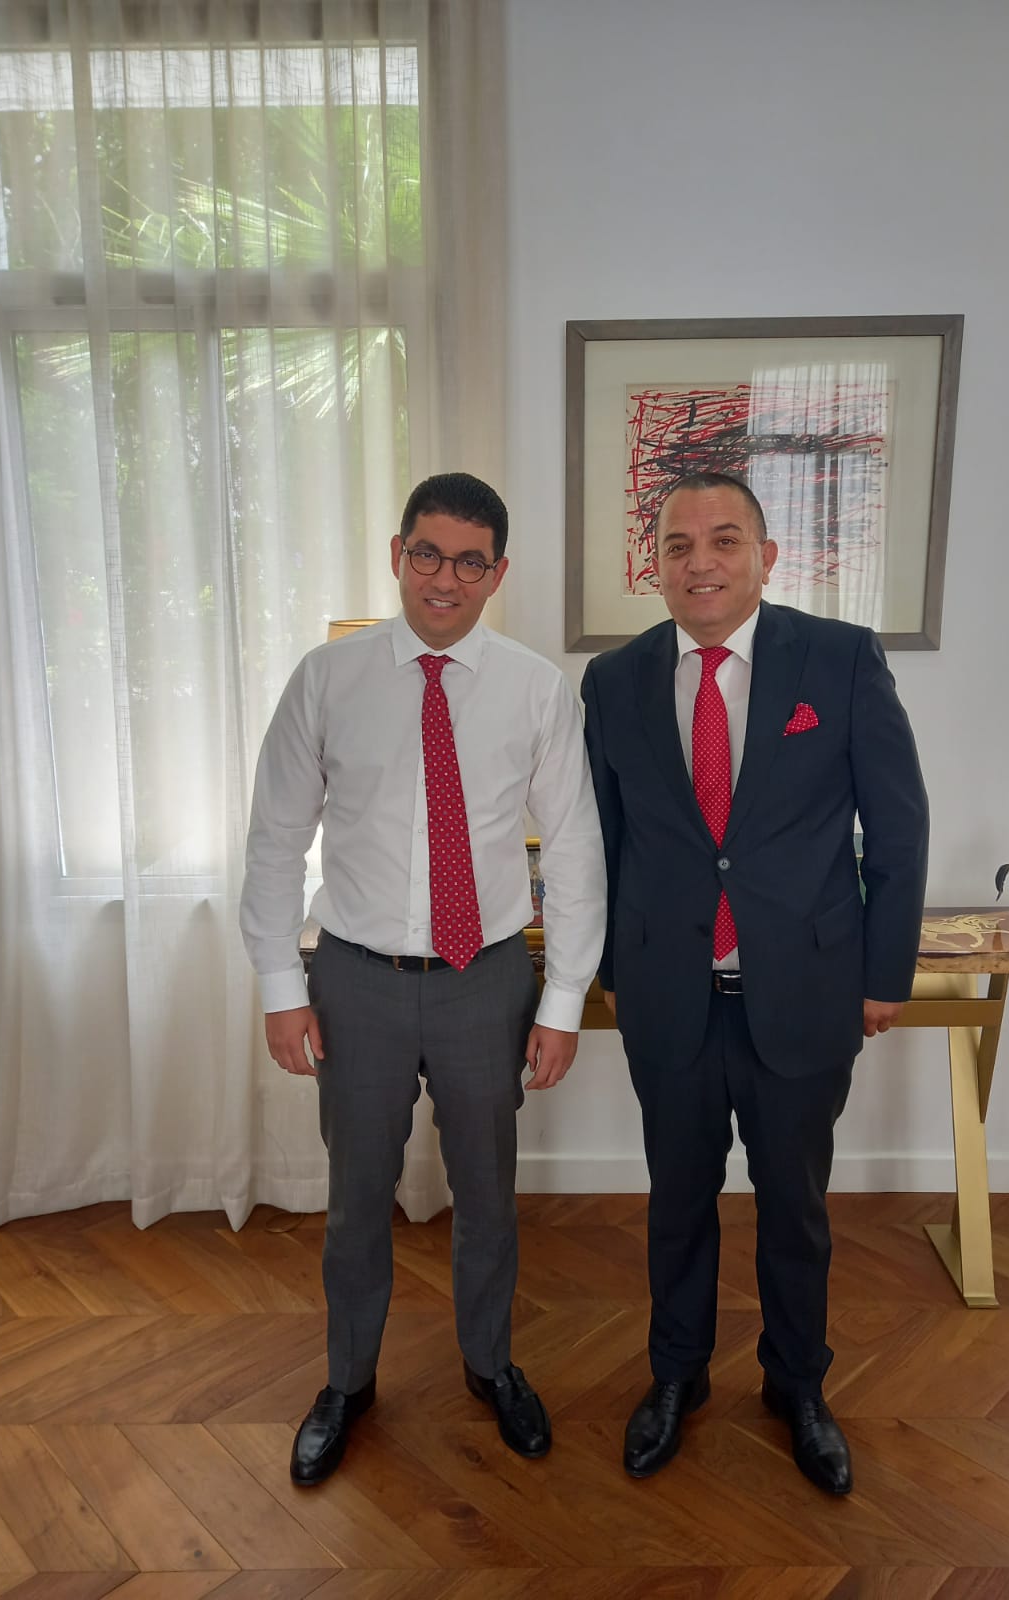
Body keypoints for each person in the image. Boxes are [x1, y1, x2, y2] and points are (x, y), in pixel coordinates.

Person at [241, 472, 605, 1485]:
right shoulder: (328, 678)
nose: (446, 578)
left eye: (469, 561)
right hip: (353, 977)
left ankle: (491, 1364)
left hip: (486, 980)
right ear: (399, 554)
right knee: (357, 1197)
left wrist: (564, 1000)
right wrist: (279, 983)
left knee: (487, 1191)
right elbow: (275, 838)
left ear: (498, 572)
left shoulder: (535, 688)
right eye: (428, 554)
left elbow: (575, 848)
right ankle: (348, 1382)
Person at [581, 471, 928, 1494]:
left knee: (796, 1206)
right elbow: (603, 841)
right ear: (654, 566)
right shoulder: (614, 681)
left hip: (806, 993)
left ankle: (798, 1384)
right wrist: (613, 973)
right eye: (679, 545)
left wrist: (884, 973)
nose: (702, 562)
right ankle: (676, 1376)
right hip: (669, 998)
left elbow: (897, 826)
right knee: (677, 1201)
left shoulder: (841, 658)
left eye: (725, 540)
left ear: (766, 557)